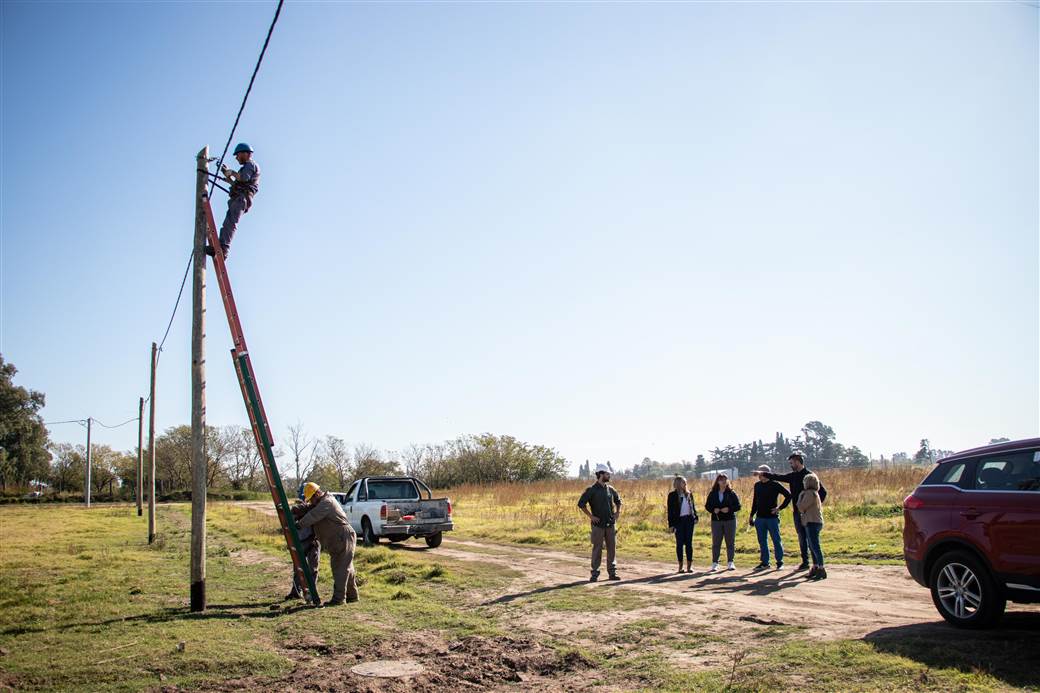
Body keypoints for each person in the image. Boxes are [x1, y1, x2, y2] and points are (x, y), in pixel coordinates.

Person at [759, 453, 827, 571]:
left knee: (812, 539)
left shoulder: (810, 475)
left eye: (791, 463)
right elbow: (778, 477)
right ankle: (805, 562)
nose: (790, 465)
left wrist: (815, 505)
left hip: (809, 514)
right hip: (797, 512)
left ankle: (816, 564)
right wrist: (764, 474)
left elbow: (823, 492)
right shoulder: (792, 476)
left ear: (797, 461)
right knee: (802, 537)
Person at [296, 482, 359, 606]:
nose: (311, 502)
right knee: (346, 567)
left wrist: (298, 525)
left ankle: (339, 599)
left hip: (342, 537)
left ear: (317, 494)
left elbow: (313, 515)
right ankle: (352, 595)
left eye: (311, 499)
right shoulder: (322, 501)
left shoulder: (326, 502)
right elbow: (310, 509)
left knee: (339, 568)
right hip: (340, 538)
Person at [205, 142, 260, 260]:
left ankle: (223, 249)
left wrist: (232, 172)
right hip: (238, 197)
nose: (236, 158)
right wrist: (227, 175)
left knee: (230, 223)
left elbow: (244, 179)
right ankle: (220, 247)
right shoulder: (245, 167)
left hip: (242, 198)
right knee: (228, 223)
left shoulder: (250, 164)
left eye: (238, 155)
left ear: (246, 153)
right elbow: (238, 182)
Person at [578, 463, 623, 582]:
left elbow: (618, 501)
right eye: (607, 474)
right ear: (601, 474)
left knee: (611, 549)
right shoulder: (591, 490)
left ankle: (612, 573)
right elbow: (581, 504)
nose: (609, 476)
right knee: (597, 549)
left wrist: (617, 513)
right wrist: (591, 516)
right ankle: (594, 574)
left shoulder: (610, 489)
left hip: (610, 524)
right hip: (597, 525)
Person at [747, 464, 791, 570]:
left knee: (776, 539)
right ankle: (765, 562)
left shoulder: (775, 484)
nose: (759, 475)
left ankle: (780, 562)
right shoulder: (757, 485)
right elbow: (755, 501)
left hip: (772, 518)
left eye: (761, 473)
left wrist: (779, 508)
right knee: (762, 541)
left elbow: (788, 495)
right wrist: (751, 515)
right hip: (760, 517)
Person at [285, 493, 321, 600]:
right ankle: (296, 591)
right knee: (298, 568)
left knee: (312, 569)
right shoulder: (295, 513)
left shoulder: (312, 509)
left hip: (313, 542)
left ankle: (312, 593)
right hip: (301, 542)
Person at [704, 473, 740, 571]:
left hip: (730, 520)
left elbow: (738, 506)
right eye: (721, 480)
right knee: (716, 542)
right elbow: (707, 506)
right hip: (716, 521)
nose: (723, 482)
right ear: (718, 481)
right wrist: (713, 510)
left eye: (725, 480)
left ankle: (730, 562)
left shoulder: (731, 493)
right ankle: (715, 562)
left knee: (730, 542)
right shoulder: (713, 493)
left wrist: (729, 509)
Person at [797, 473, 826, 579]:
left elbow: (801, 507)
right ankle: (816, 566)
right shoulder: (815, 493)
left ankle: (821, 568)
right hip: (814, 521)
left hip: (811, 522)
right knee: (812, 545)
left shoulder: (809, 494)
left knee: (815, 546)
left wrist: (800, 496)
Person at [666, 475, 698, 573]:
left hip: (689, 520)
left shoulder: (689, 494)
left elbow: (693, 506)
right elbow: (670, 511)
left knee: (689, 543)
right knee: (679, 544)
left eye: (685, 482)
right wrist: (671, 525)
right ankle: (680, 566)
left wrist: (695, 516)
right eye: (683, 482)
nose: (685, 484)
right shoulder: (672, 495)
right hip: (678, 521)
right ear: (677, 484)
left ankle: (689, 566)